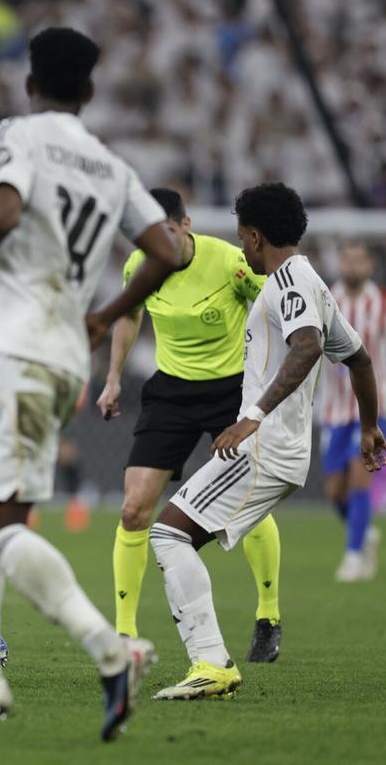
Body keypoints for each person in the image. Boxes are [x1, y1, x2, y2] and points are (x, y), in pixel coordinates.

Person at [0, 27, 180, 742]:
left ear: (30, 85)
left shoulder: (17, 135)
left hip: (20, 352)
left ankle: (99, 653)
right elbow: (170, 249)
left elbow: (2, 210)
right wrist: (105, 315)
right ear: (89, 92)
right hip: (65, 358)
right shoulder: (110, 164)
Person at [150, 182, 386, 700]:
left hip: (264, 447)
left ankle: (211, 665)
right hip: (281, 450)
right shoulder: (311, 281)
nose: (241, 249)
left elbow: (305, 348)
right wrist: (370, 425)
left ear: (257, 237)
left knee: (168, 536)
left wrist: (253, 416)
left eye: (242, 239)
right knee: (179, 535)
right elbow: (360, 359)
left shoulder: (288, 282)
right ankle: (213, 661)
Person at [97, 188, 283, 662]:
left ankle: (268, 615)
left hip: (232, 391)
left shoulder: (229, 263)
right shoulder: (140, 265)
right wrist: (113, 377)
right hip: (172, 394)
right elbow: (130, 315)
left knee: (248, 507)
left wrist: (268, 387)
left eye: (166, 233)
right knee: (134, 510)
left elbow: (277, 315)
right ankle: (123, 634)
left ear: (186, 225)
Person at [319, 240, 386, 581]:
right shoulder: (327, 298)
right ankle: (364, 533)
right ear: (340, 264)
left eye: (359, 260)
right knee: (334, 490)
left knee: (360, 477)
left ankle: (354, 555)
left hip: (374, 406)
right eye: (347, 259)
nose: (353, 266)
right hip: (332, 409)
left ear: (370, 266)